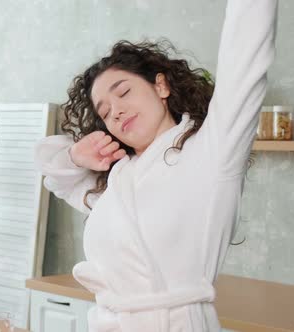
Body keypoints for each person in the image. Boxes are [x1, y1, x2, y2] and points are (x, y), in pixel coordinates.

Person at [34, 0, 277, 331]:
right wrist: (77, 155)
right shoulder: (116, 178)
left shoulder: (212, 152)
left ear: (161, 86)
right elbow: (53, 171)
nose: (116, 111)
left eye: (124, 93)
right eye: (104, 112)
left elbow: (246, 54)